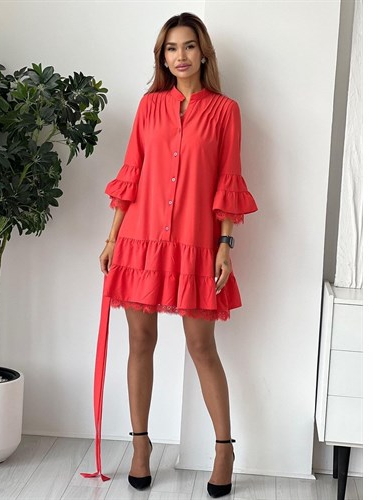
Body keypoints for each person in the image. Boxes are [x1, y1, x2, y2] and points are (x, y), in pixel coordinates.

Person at [85, 12, 258, 499]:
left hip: (195, 244)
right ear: (162, 57)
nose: (180, 56)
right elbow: (132, 173)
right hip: (140, 240)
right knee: (140, 341)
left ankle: (223, 450)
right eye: (170, 48)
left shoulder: (225, 111)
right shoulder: (149, 106)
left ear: (203, 53)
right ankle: (140, 446)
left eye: (188, 46)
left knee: (202, 348)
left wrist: (225, 244)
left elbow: (228, 179)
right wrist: (112, 238)